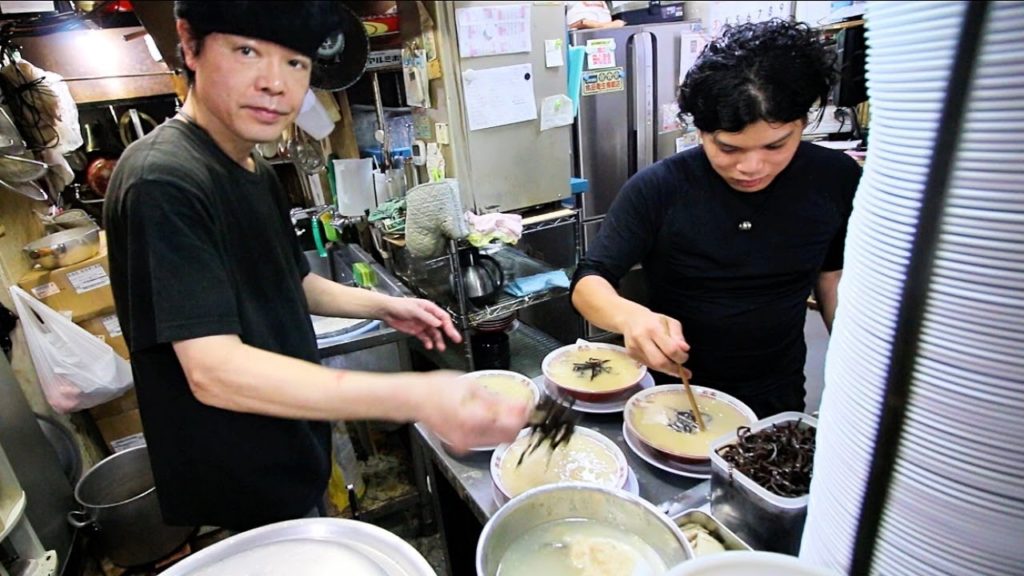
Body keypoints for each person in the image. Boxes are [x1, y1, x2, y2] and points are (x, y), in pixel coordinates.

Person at [103, 1, 528, 532]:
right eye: (246, 51)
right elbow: (213, 372)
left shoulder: (251, 168)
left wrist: (386, 305)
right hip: (237, 477)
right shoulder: (163, 180)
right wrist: (416, 395)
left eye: (295, 62)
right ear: (189, 44)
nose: (275, 84)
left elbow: (289, 281)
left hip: (287, 449)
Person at [570, 19, 861, 418]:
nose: (752, 166)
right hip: (674, 392)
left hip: (779, 393)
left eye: (777, 144)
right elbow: (589, 281)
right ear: (701, 131)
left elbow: (833, 275)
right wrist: (631, 316)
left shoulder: (836, 178)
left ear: (803, 123)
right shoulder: (660, 187)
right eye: (729, 148)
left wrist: (858, 361)